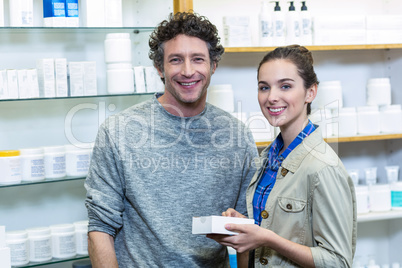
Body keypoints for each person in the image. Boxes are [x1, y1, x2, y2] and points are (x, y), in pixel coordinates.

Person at [84, 12, 258, 268]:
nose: (188, 71)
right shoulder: (118, 132)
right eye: (176, 60)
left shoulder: (238, 137)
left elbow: (247, 228)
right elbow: (100, 227)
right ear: (159, 68)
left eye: (198, 59)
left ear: (213, 65)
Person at [208, 45, 357, 268]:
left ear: (311, 92)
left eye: (285, 86)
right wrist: (246, 226)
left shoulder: (323, 168)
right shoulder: (269, 158)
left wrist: (267, 238)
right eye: (264, 87)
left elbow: (337, 261)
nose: (272, 97)